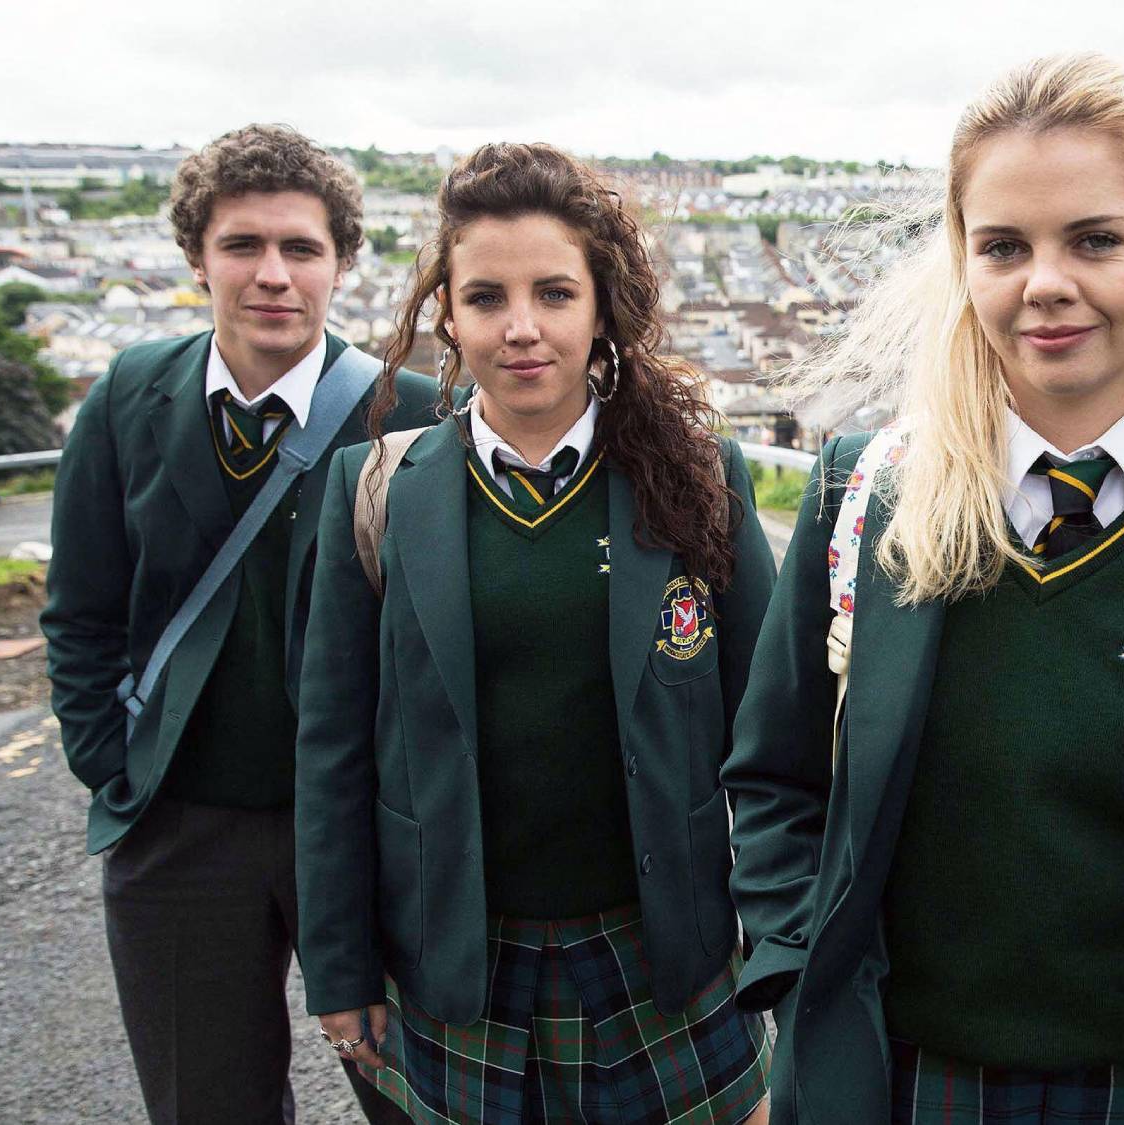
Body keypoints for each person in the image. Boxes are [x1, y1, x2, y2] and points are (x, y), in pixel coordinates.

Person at [722, 54, 1124, 1124]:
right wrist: (798, 978)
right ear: (961, 262)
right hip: (894, 1084)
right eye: (1001, 246)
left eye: (1093, 239)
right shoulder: (866, 499)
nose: (1044, 283)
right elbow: (777, 777)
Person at [293, 142, 777, 1125]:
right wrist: (339, 969)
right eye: (486, 298)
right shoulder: (377, 492)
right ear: (447, 315)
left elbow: (774, 739)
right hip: (462, 963)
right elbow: (333, 753)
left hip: (667, 956)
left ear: (602, 308)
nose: (522, 329)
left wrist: (779, 941)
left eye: (554, 293)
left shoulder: (698, 480)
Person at [40, 124, 442, 1125]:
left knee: (427, 1103)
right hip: (180, 827)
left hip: (364, 826)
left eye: (301, 249)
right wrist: (113, 764)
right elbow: (82, 612)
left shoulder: (415, 413)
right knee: (204, 1101)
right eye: (242, 246)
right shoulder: (128, 398)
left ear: (343, 263)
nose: (273, 275)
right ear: (194, 257)